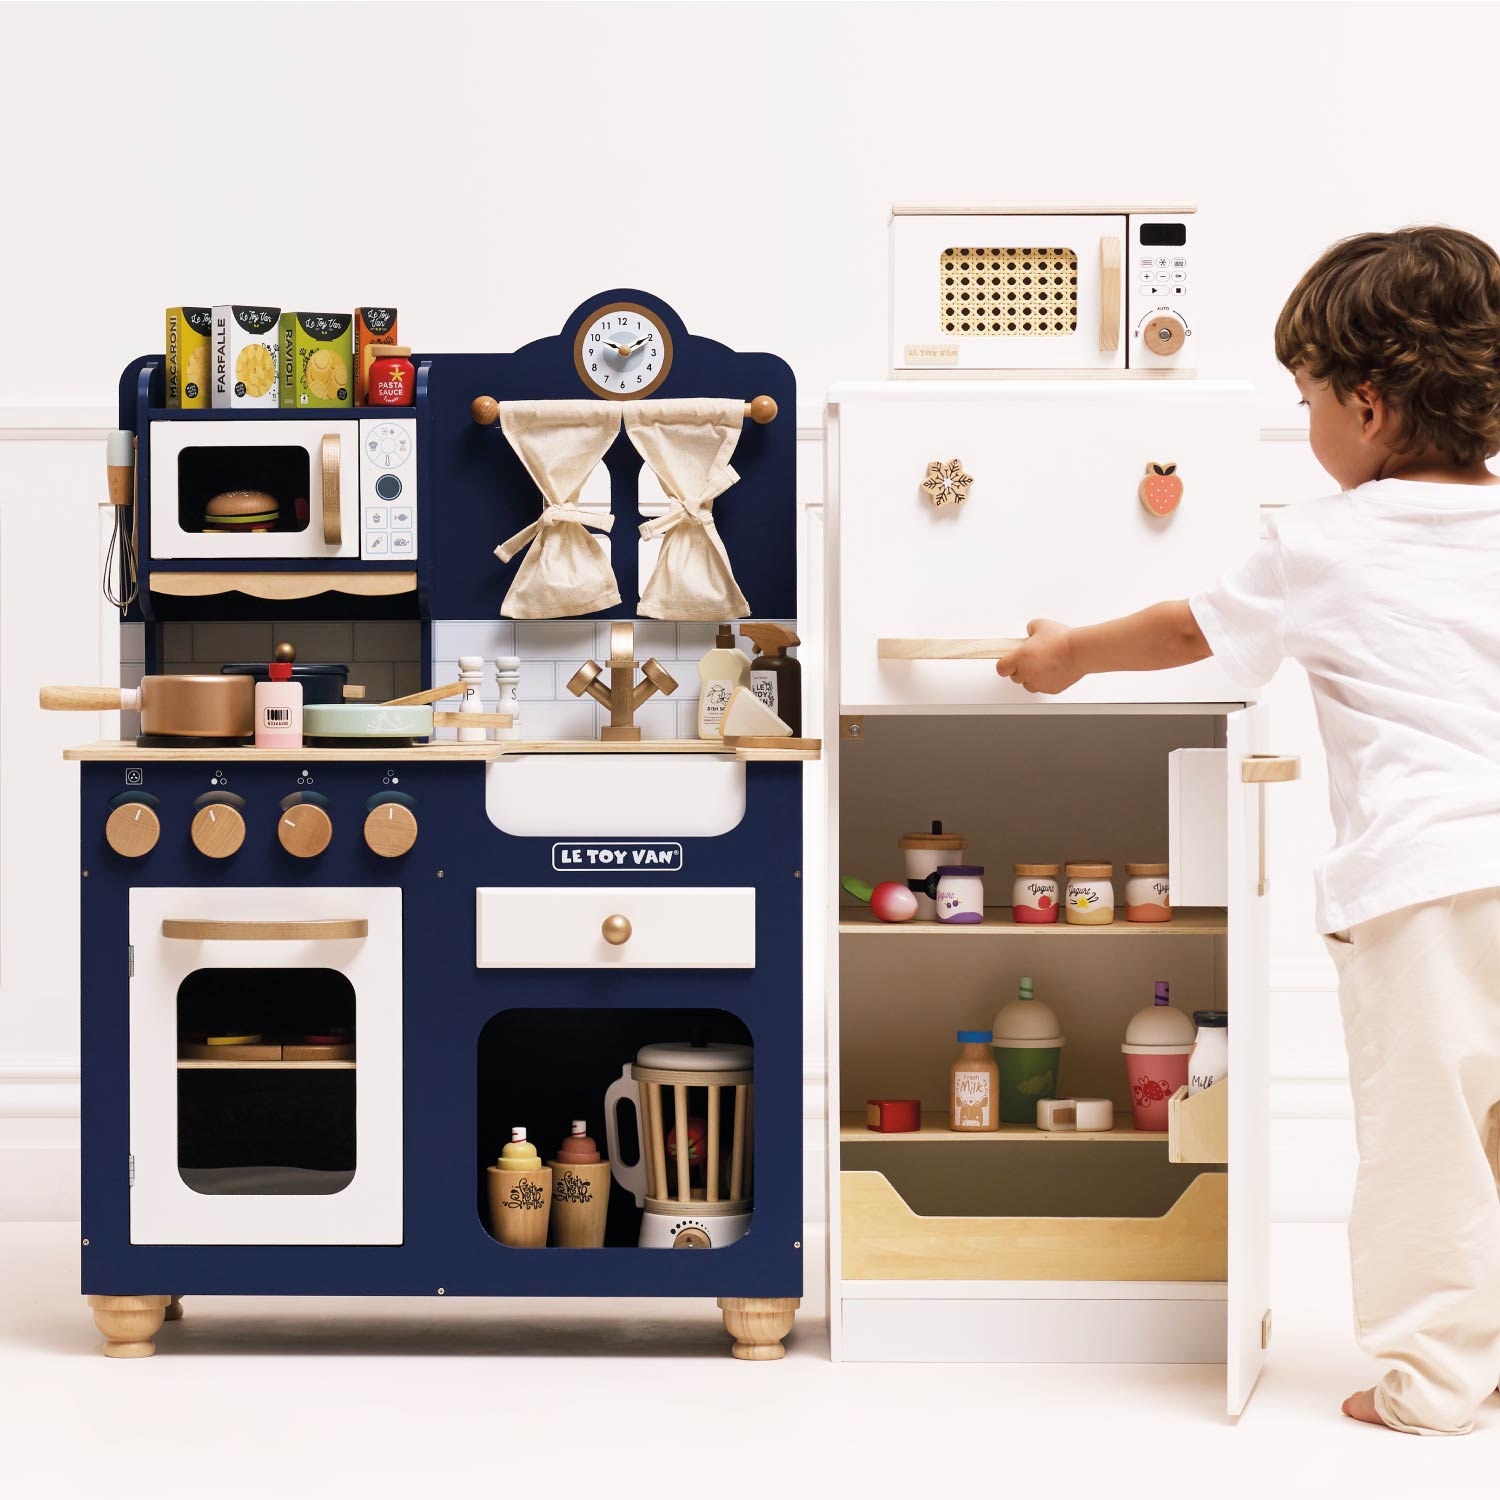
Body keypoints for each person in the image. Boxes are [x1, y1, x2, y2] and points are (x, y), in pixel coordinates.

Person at [996, 226, 1500, 1435]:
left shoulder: (1325, 542)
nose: (1308, 424)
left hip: (1424, 885)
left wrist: (1065, 654)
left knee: (1429, 1140)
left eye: (1308, 400)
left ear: (1368, 408)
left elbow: (1188, 631)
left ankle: (1434, 1385)